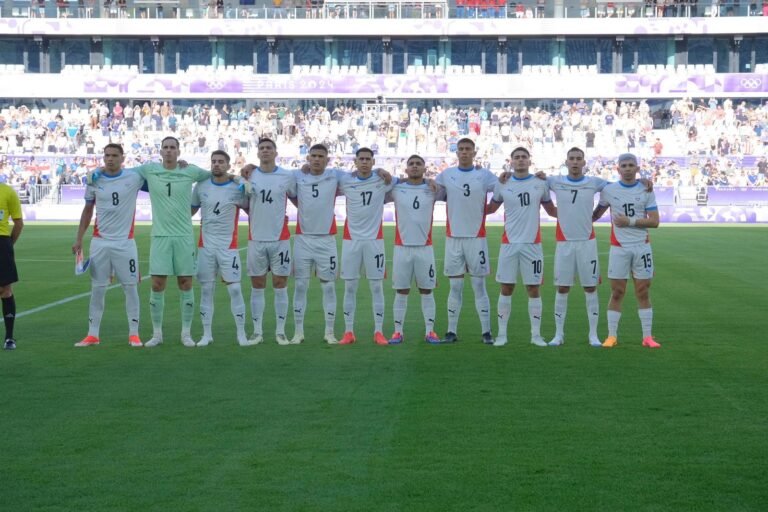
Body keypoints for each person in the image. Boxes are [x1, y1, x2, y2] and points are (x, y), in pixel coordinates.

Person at [127, 136, 211, 347]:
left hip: (183, 237)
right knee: (157, 284)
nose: (169, 151)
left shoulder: (190, 171)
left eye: (173, 147)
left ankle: (186, 334)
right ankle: (157, 334)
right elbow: (120, 172)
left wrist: (242, 175)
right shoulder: (149, 169)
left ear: (179, 151)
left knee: (186, 283)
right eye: (165, 147)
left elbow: (216, 174)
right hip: (160, 237)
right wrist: (98, 173)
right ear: (161, 151)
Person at [72, 143, 143, 347]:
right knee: (97, 288)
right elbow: (87, 211)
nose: (110, 159)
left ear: (123, 157)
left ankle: (134, 333)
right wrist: (78, 239)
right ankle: (93, 334)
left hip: (125, 243)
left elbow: (158, 175)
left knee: (130, 288)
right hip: (100, 243)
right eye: (106, 155)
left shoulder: (134, 177)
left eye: (114, 155)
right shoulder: (95, 180)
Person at [486, 147, 557, 347]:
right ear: (511, 161)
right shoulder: (502, 183)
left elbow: (551, 210)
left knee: (533, 288)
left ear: (529, 160)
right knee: (506, 287)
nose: (520, 160)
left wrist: (577, 216)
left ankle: (536, 335)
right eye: (516, 157)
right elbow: (491, 208)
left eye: (523, 157)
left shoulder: (541, 183)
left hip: (532, 245)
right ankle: (501, 335)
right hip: (508, 244)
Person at [592, 153, 661, 348]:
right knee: (617, 292)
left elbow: (655, 221)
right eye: (624, 165)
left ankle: (647, 337)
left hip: (642, 247)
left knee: (643, 290)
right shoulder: (609, 190)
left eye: (631, 165)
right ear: (618, 169)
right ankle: (611, 336)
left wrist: (629, 221)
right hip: (619, 248)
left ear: (637, 169)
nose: (628, 168)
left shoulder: (646, 189)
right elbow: (596, 214)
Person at [434, 138, 498, 344]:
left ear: (474, 152)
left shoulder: (485, 175)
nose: (464, 152)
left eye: (468, 149)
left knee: (479, 286)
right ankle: (451, 331)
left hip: (476, 238)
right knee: (455, 287)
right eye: (461, 149)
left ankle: (486, 332)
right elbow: (433, 192)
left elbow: (503, 189)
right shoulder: (446, 174)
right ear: (457, 152)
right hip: (453, 238)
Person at [546, 147, 608, 348]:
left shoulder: (594, 182)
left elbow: (619, 188)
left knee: (590, 287)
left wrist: (597, 214)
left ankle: (593, 335)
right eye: (571, 158)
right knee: (562, 287)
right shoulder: (554, 181)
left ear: (584, 162)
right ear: (566, 161)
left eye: (578, 159)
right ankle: (558, 334)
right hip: (564, 243)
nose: (574, 162)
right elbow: (530, 180)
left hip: (587, 242)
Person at [241, 138, 297, 345]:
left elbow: (297, 198)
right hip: (256, 240)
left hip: (280, 240)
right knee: (257, 284)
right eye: (262, 148)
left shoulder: (287, 176)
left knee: (280, 284)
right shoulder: (249, 175)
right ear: (257, 153)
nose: (265, 151)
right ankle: (257, 332)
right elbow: (245, 204)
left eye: (269, 148)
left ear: (276, 152)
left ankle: (280, 332)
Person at [191, 150, 249, 347]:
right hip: (205, 247)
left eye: (221, 162)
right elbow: (190, 210)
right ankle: (206, 334)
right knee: (206, 290)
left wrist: (238, 177)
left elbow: (251, 205)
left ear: (228, 164)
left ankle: (241, 334)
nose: (216, 164)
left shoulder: (237, 187)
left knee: (234, 289)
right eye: (214, 161)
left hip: (228, 247)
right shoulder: (201, 186)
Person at [337, 147, 394, 346]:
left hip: (374, 241)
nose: (364, 162)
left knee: (376, 287)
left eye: (367, 159)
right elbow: (320, 174)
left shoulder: (382, 181)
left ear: (372, 161)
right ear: (355, 161)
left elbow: (405, 181)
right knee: (350, 287)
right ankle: (348, 331)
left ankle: (378, 331)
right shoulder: (345, 180)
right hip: (351, 241)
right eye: (361, 159)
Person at [386, 155, 443, 345]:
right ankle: (397, 332)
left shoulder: (433, 189)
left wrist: (430, 181)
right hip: (401, 248)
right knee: (401, 290)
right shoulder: (396, 188)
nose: (415, 166)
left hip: (425, 249)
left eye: (419, 164)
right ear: (406, 169)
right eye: (411, 164)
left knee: (427, 290)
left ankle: (430, 331)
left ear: (425, 168)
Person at [290, 144, 343, 345]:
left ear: (327, 159)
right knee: (301, 286)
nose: (317, 159)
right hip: (303, 240)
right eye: (313, 156)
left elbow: (360, 174)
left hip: (326, 240)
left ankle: (329, 332)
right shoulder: (296, 176)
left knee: (328, 287)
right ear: (308, 158)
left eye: (321, 156)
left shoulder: (335, 175)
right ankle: (298, 332)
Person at [0, 179, 23, 350]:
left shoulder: (7, 192)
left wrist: (8, 244)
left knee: (5, 289)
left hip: (2, 242)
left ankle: (9, 337)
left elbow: (18, 222)